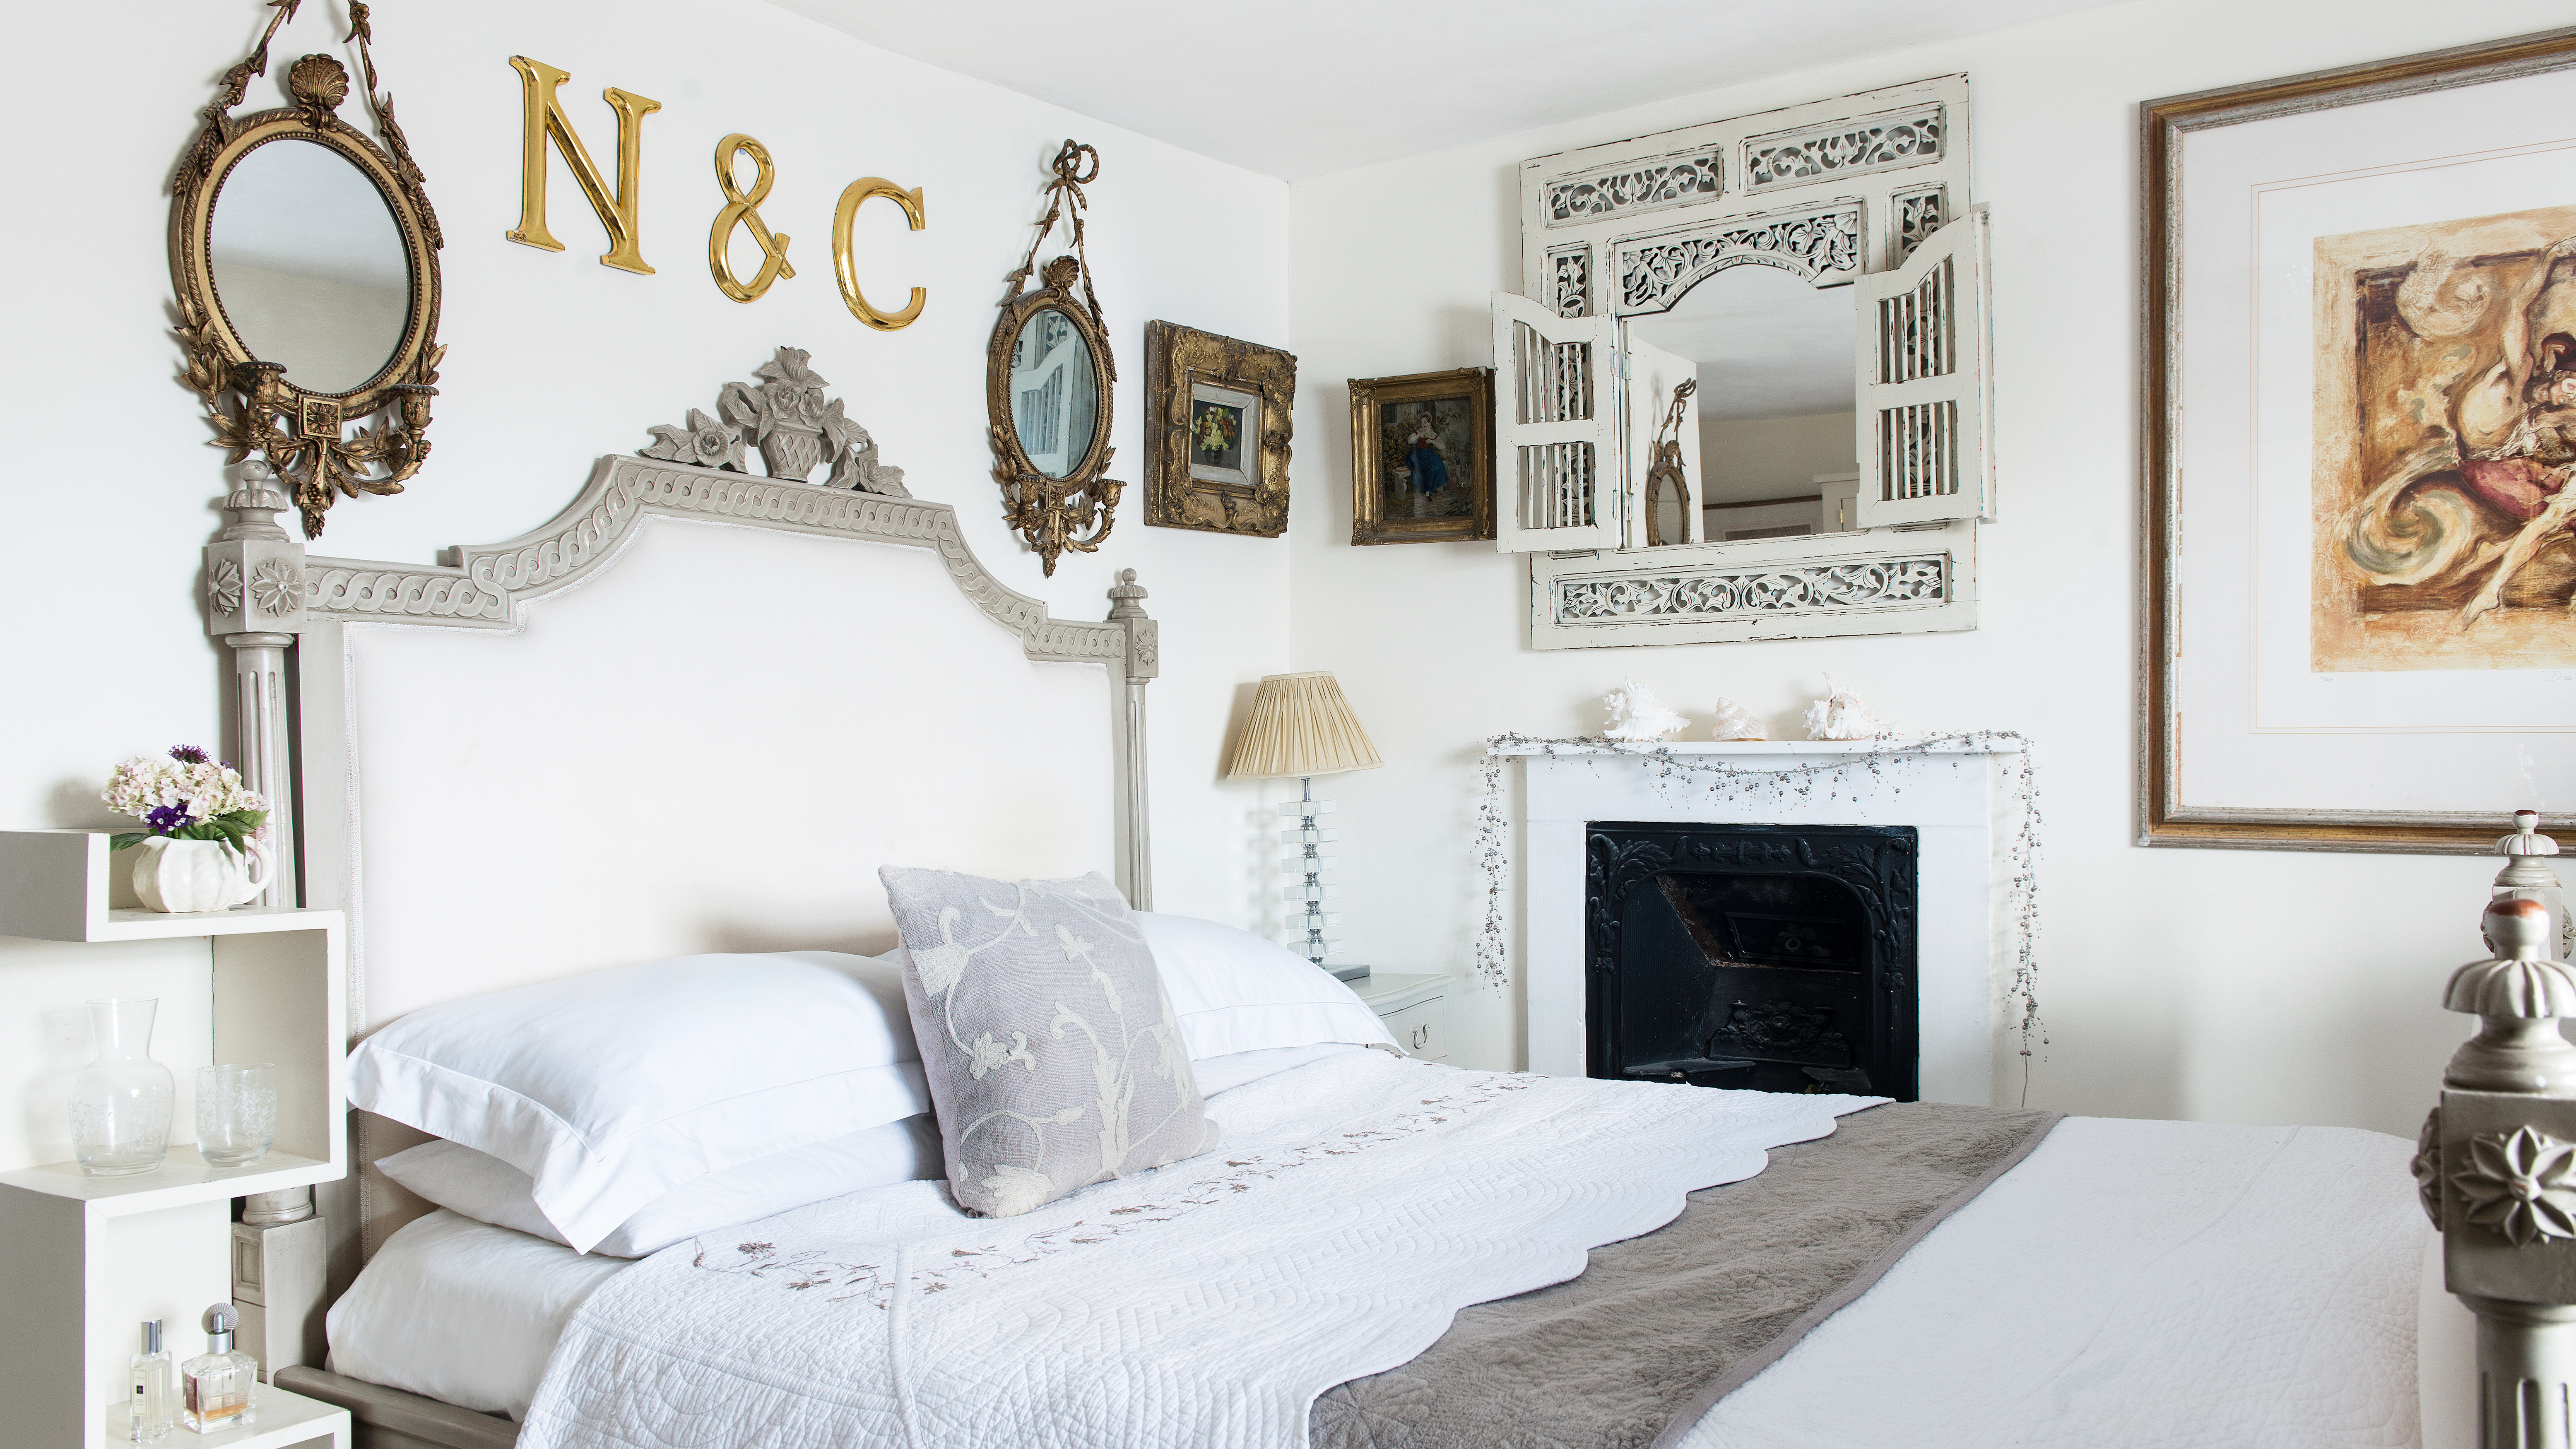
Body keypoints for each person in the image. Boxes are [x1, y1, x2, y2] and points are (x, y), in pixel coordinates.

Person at [2451, 237, 2576, 626]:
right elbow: (2519, 307)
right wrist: (2550, 259)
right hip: (2487, 469)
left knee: (2565, 513)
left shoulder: (2545, 416)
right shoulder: (2518, 370)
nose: (2573, 396)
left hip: (2510, 466)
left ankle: (2496, 562)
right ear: (2560, 371)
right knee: (2559, 515)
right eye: (2574, 384)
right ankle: (2492, 582)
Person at [1404, 408, 1450, 496]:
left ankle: (1432, 488)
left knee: (1439, 467)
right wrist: (1417, 436)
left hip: (1428, 455)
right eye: (1422, 422)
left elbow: (1443, 447)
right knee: (1428, 470)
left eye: (1426, 422)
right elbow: (1410, 441)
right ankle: (1428, 492)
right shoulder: (1420, 431)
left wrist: (1433, 442)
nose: (1424, 424)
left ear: (1430, 423)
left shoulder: (1432, 434)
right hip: (1419, 455)